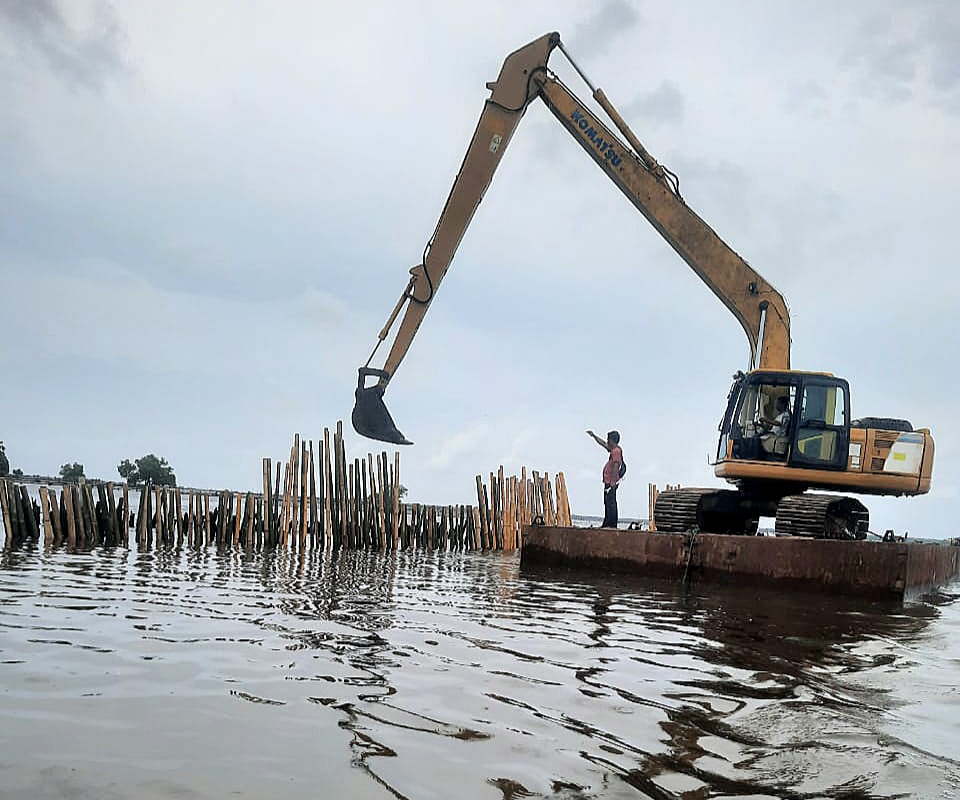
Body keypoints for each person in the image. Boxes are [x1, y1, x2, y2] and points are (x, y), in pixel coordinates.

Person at [587, 429, 623, 528]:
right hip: (608, 481)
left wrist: (613, 482)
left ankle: (611, 524)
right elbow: (603, 444)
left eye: (608, 440)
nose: (607, 442)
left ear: (612, 440)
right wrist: (594, 436)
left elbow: (616, 466)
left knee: (610, 502)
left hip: (611, 482)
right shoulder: (613, 450)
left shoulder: (616, 451)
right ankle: (607, 522)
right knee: (607, 501)